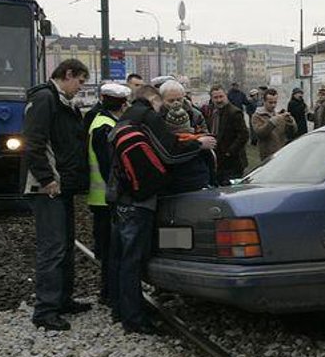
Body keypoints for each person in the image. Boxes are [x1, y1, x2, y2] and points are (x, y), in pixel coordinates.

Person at [107, 85, 216, 334]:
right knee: (133, 259)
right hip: (138, 200)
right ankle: (134, 319)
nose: (164, 109)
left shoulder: (126, 118)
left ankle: (121, 308)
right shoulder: (147, 116)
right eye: (163, 102)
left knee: (123, 257)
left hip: (121, 195)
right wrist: (198, 145)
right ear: (154, 99)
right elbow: (169, 154)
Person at [23, 58, 92, 332]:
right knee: (52, 247)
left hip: (61, 186)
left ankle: (62, 300)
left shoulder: (60, 101)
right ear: (68, 74)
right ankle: (46, 310)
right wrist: (47, 178)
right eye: (80, 81)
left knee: (64, 245)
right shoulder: (45, 99)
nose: (80, 88)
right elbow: (33, 142)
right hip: (48, 187)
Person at [86, 83, 131, 307]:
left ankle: (109, 291)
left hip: (101, 196)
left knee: (108, 248)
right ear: (122, 105)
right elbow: (108, 166)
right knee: (110, 249)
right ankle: (109, 293)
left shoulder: (102, 121)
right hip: (106, 197)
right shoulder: (106, 126)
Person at [160, 80, 214, 191]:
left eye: (179, 99)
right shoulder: (158, 117)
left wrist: (192, 137)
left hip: (195, 167)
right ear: (162, 100)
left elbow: (206, 136)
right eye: (171, 100)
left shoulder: (195, 114)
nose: (176, 103)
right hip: (170, 170)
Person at [208, 84, 249, 184]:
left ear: (226, 96)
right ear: (212, 99)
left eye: (221, 96)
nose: (219, 100)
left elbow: (244, 135)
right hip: (219, 160)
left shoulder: (234, 112)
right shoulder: (213, 112)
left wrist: (229, 152)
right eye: (216, 97)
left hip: (233, 161)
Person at [252, 88, 297, 160]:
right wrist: (274, 120)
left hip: (281, 153)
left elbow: (292, 133)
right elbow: (260, 133)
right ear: (264, 101)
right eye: (270, 102)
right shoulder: (257, 116)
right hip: (267, 156)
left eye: (275, 102)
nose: (273, 105)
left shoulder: (279, 114)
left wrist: (290, 122)